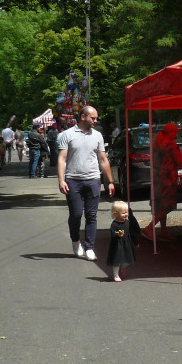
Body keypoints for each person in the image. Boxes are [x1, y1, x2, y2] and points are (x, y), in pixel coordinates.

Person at [57, 105, 115, 261]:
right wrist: (61, 180)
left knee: (91, 215)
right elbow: (62, 158)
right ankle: (76, 241)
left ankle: (89, 247)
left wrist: (110, 181)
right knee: (76, 214)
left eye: (96, 118)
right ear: (83, 117)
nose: (95, 121)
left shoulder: (97, 136)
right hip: (73, 180)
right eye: (93, 118)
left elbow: (103, 159)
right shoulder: (67, 135)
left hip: (93, 179)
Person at [142, 123, 182, 240]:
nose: (176, 135)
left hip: (158, 178)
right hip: (167, 179)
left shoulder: (157, 143)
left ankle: (163, 230)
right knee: (168, 206)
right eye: (175, 133)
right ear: (170, 132)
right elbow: (181, 162)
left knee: (160, 205)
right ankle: (149, 228)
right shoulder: (171, 145)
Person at [106, 200, 141, 282]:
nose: (126, 214)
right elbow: (112, 233)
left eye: (126, 212)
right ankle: (116, 275)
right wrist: (117, 234)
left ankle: (123, 268)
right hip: (117, 245)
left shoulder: (128, 223)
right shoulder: (114, 224)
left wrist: (136, 242)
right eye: (123, 213)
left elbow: (132, 233)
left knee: (126, 260)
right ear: (116, 214)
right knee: (116, 261)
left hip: (126, 244)